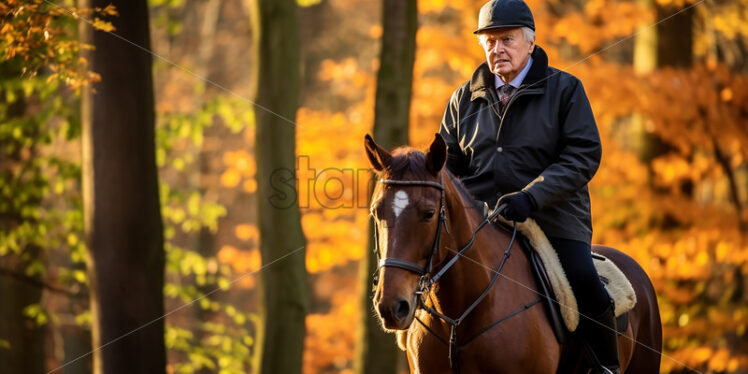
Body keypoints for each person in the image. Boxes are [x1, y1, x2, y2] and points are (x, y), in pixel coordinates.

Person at [438, 0, 618, 372]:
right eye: (489, 42)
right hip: (480, 225)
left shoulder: (566, 90)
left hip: (553, 220)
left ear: (531, 42)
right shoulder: (461, 99)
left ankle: (606, 365)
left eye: (506, 39)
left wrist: (532, 196)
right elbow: (447, 165)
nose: (497, 49)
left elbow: (582, 156)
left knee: (583, 277)